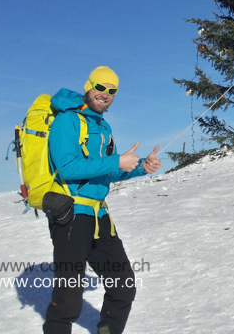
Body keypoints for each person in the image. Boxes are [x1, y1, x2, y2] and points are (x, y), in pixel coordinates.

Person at [44, 66, 161, 334]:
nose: (105, 94)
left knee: (123, 286)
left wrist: (142, 165)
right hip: (71, 214)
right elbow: (68, 167)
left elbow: (109, 169)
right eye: (100, 87)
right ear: (88, 86)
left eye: (112, 91)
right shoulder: (68, 121)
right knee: (68, 301)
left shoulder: (102, 125)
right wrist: (116, 160)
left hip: (100, 217)